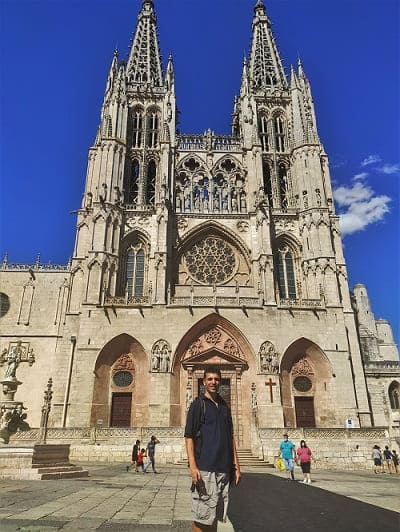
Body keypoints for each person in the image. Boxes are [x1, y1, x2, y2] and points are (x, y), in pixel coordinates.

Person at [185, 366, 241, 532]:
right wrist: (193, 466)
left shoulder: (224, 406)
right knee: (201, 519)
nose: (213, 382)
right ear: (203, 382)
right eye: (209, 379)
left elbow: (230, 437)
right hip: (205, 468)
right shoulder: (197, 405)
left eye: (216, 379)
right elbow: (189, 437)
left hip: (223, 470)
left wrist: (236, 465)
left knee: (214, 517)